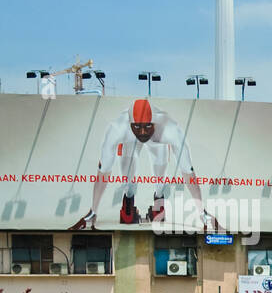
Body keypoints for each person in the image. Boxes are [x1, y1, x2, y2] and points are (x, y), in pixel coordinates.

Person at [68, 97, 223, 232]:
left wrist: (202, 212)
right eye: (137, 127)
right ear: (129, 123)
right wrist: (93, 211)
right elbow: (104, 171)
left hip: (157, 141)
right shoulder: (117, 129)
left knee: (160, 167)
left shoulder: (171, 129)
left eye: (147, 126)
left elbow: (188, 172)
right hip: (130, 141)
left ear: (155, 122)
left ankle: (158, 197)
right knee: (128, 175)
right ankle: (129, 197)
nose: (142, 132)